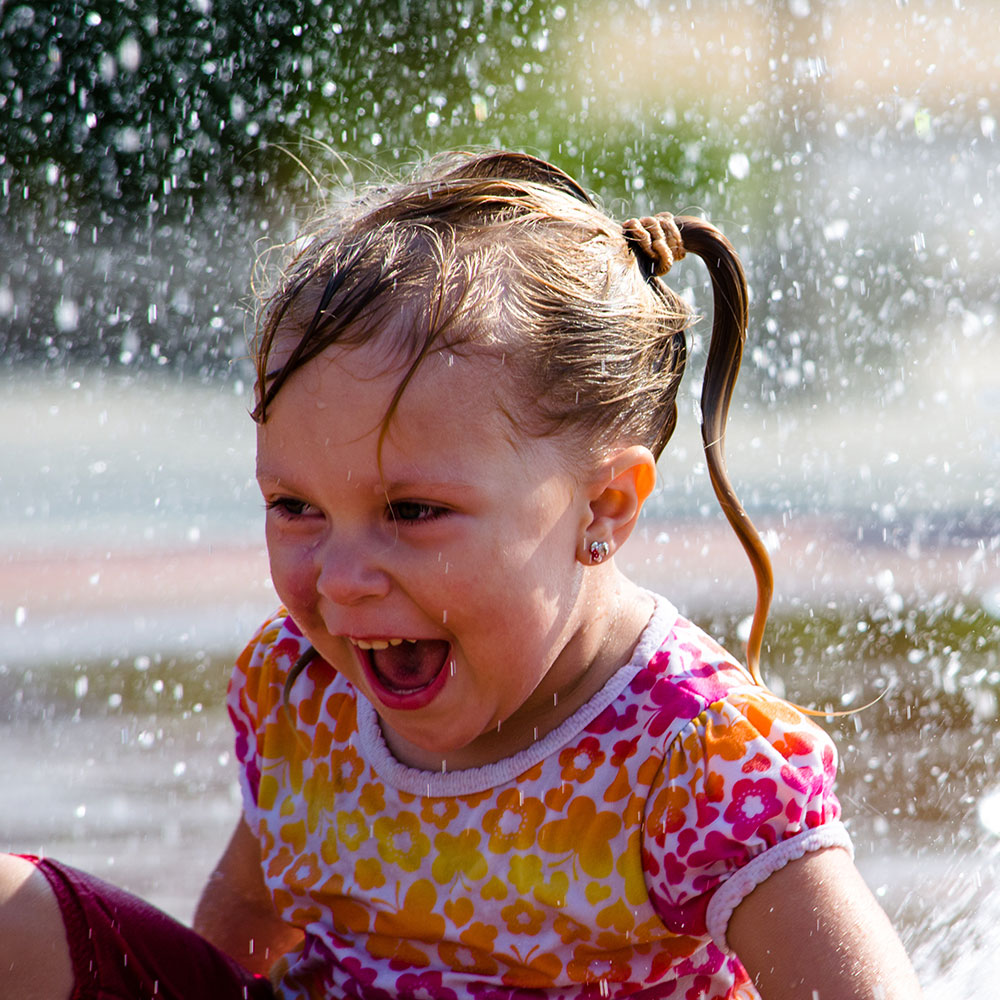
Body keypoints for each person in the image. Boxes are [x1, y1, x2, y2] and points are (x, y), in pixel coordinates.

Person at [0, 151, 922, 999]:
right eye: (295, 507)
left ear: (602, 510)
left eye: (412, 512)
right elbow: (237, 933)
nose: (346, 576)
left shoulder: (692, 756)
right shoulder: (304, 695)